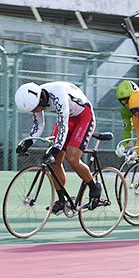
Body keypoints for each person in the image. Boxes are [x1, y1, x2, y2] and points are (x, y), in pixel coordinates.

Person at [14, 81, 100, 214]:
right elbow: (39, 124)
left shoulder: (58, 96)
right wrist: (27, 142)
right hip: (67, 118)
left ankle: (94, 188)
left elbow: (63, 127)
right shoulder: (35, 99)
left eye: (36, 108)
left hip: (83, 117)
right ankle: (62, 199)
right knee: (54, 162)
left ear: (41, 99)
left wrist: (54, 150)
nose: (35, 112)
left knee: (72, 158)